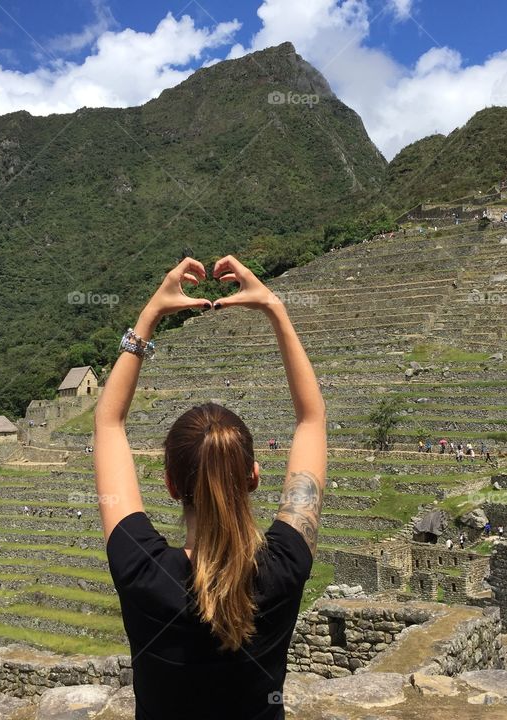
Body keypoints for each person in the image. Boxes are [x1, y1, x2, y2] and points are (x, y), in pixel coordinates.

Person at [94, 256, 326, 719]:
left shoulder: (141, 570)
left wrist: (149, 316)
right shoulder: (284, 566)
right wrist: (274, 308)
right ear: (255, 478)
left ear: (170, 484)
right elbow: (312, 420)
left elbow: (108, 423)